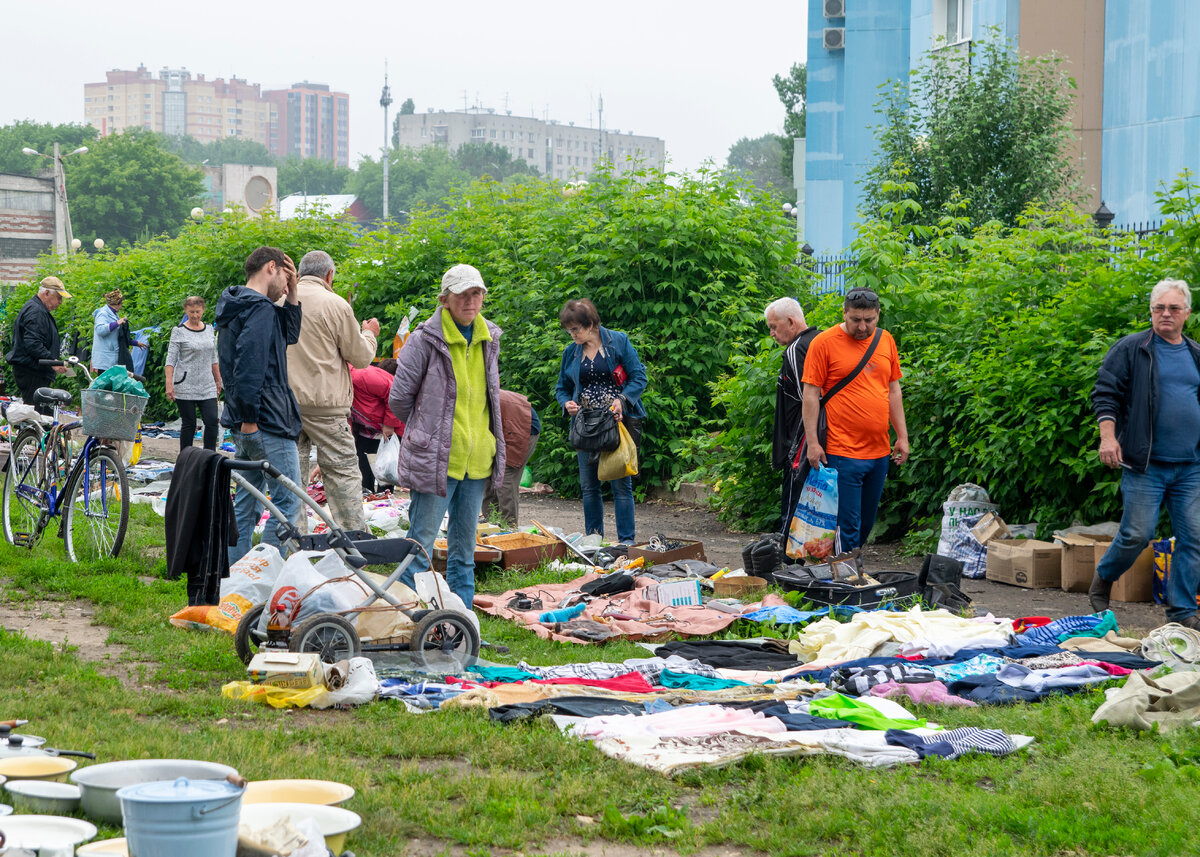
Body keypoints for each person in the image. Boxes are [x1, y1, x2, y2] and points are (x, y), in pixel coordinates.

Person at [388, 263, 504, 608]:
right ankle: (408, 615)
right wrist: (428, 433)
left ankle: (461, 618)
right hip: (436, 460)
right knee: (420, 545)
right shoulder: (424, 340)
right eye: (463, 294)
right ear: (445, 299)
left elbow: (490, 398)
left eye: (477, 293)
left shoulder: (489, 338)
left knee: (465, 550)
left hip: (477, 460)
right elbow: (399, 399)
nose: (471, 301)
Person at [1090, 278, 1200, 629]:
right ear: (1151, 311)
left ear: (1187, 313)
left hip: (1191, 466)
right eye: (1159, 308)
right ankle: (1104, 577)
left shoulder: (1196, 354)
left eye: (1173, 308)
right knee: (1138, 533)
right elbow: (1105, 393)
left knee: (1194, 537)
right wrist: (1108, 438)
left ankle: (1182, 612)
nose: (1165, 314)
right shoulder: (1132, 349)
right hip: (1144, 463)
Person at [802, 286, 909, 551]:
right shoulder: (823, 343)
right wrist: (813, 443)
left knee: (865, 523)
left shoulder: (886, 341)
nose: (862, 327)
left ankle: (847, 569)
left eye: (869, 320)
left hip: (879, 451)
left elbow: (893, 390)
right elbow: (811, 395)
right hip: (842, 451)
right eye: (855, 320)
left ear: (878, 315)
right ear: (844, 313)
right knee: (847, 524)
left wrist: (902, 437)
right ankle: (845, 580)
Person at [216, 246, 304, 564]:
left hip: (244, 423)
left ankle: (236, 585)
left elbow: (289, 335)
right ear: (271, 267)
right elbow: (249, 364)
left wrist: (292, 293)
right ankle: (262, 577)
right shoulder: (260, 309)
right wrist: (252, 417)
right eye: (285, 276)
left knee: (246, 504)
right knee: (288, 505)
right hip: (265, 421)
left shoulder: (240, 305)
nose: (286, 284)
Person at [286, 250, 380, 533]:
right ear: (329, 276)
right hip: (326, 406)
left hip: (286, 405)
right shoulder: (335, 304)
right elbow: (361, 357)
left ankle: (293, 544)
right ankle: (354, 540)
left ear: (300, 274)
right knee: (342, 475)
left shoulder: (279, 301)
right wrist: (370, 333)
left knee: (292, 479)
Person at [555, 298, 647, 545]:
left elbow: (639, 377)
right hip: (585, 426)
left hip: (615, 423)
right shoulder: (570, 352)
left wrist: (623, 399)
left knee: (621, 485)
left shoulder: (618, 342)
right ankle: (594, 542)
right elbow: (561, 388)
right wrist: (566, 403)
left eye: (575, 329)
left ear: (591, 323)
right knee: (589, 488)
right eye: (569, 330)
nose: (571, 334)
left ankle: (626, 543)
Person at [766, 297, 821, 529]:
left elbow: (808, 399)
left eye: (773, 327)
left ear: (790, 322)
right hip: (821, 438)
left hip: (801, 443)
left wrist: (803, 444)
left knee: (793, 507)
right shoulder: (820, 341)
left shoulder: (796, 349)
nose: (772, 334)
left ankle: (788, 561)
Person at [164, 296, 222, 451]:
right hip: (185, 383)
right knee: (189, 423)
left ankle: (209, 457)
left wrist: (218, 379)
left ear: (203, 310)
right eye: (191, 312)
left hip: (206, 383)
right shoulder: (178, 332)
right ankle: (186, 459)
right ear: (186, 311)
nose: (195, 315)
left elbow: (213, 357)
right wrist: (169, 384)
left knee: (211, 421)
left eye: (197, 312)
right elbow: (170, 360)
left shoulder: (209, 329)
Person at [5, 276, 71, 406]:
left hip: (34, 370)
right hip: (32, 372)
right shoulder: (36, 311)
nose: (60, 302)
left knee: (38, 415)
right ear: (46, 293)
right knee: (39, 416)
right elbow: (33, 343)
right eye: (59, 297)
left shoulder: (38, 309)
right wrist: (52, 361)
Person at [482, 390, 541, 528]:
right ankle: (490, 524)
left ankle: (508, 527)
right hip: (504, 423)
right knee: (487, 475)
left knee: (505, 478)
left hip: (522, 425)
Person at [350, 358, 403, 493]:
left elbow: (395, 394)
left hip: (388, 432)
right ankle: (367, 502)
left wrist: (389, 424)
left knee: (386, 474)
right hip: (365, 433)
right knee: (364, 473)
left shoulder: (362, 376)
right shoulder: (343, 386)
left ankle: (385, 504)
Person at [91, 289, 147, 373]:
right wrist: (117, 323)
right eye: (121, 304)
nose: (121, 307)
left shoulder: (113, 314)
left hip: (112, 358)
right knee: (106, 384)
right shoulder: (103, 314)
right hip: (105, 359)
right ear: (117, 304)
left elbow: (119, 337)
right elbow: (100, 330)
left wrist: (135, 343)